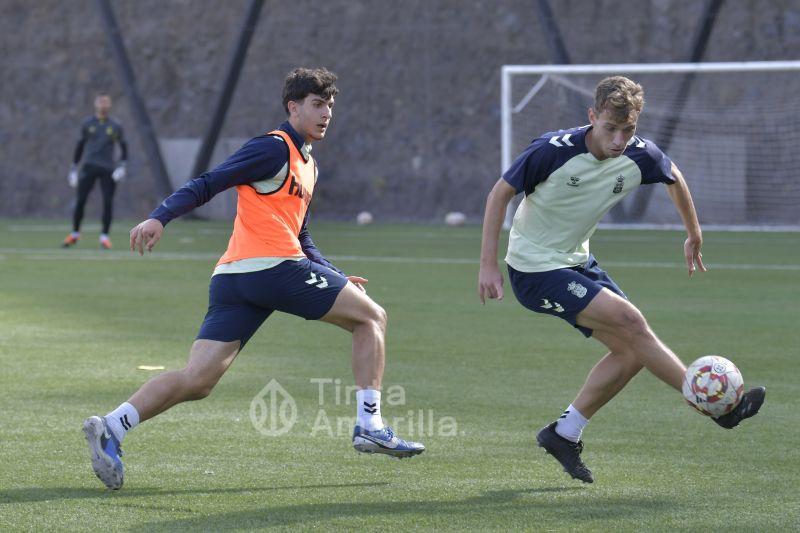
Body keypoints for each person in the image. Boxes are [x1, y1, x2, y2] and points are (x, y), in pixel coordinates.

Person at [82, 67, 424, 490]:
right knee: (372, 318)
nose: (326, 114)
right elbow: (211, 181)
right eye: (317, 105)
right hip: (273, 268)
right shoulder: (273, 148)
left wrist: (334, 275)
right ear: (292, 107)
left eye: (330, 106)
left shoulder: (308, 166)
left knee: (198, 379)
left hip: (236, 277)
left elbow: (300, 233)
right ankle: (370, 424)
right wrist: (160, 216)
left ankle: (112, 426)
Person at [478, 76, 765, 484]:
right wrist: (488, 264)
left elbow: (673, 176)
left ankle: (564, 433)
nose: (617, 140)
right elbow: (499, 194)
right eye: (609, 128)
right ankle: (717, 408)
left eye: (627, 130)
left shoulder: (639, 154)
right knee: (633, 324)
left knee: (633, 353)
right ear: (592, 116)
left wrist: (693, 232)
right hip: (534, 270)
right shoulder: (551, 150)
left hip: (577, 262)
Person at [63, 93, 128, 249]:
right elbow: (80, 146)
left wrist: (121, 167)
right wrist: (73, 167)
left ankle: (104, 237)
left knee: (107, 202)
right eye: (100, 102)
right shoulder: (87, 124)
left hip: (108, 169)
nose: (103, 105)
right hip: (89, 166)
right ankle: (74, 234)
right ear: (95, 104)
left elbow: (124, 147)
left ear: (110, 105)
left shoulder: (115, 125)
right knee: (80, 201)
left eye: (106, 102)